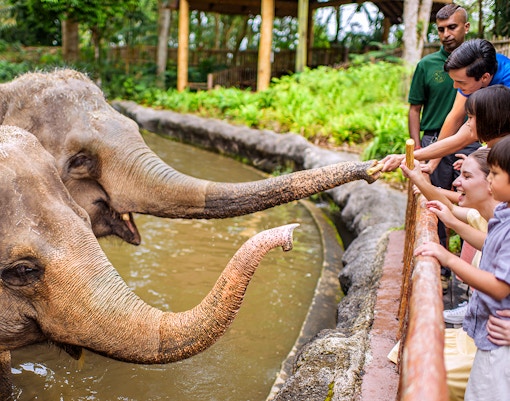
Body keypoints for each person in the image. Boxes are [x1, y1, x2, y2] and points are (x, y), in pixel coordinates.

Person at [414, 135, 510, 401]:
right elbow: (490, 243)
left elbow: (501, 286)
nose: (490, 180)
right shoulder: (503, 216)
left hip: (498, 339)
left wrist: (448, 258)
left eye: (497, 174)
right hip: (487, 333)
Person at [407, 4, 477, 291]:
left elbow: (463, 116)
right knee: (432, 203)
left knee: (469, 199)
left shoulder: (481, 63)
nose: (446, 34)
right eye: (441, 29)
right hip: (433, 139)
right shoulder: (426, 65)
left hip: (469, 141)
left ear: (466, 27)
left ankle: (469, 267)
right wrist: (416, 147)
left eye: (453, 27)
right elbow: (414, 109)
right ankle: (440, 268)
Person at [381, 38, 510, 173]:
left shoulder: (506, 83)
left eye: (460, 82)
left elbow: (466, 136)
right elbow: (455, 118)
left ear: (484, 78)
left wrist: (407, 157)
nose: (455, 87)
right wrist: (432, 164)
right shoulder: (472, 74)